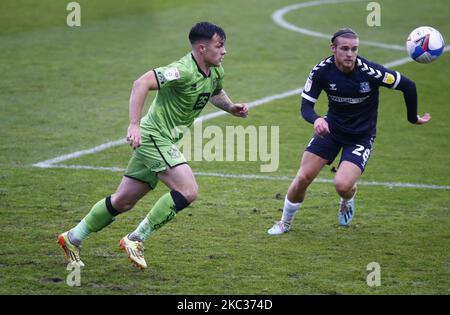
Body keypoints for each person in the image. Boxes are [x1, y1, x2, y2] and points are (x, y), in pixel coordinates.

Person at [58, 21, 248, 269]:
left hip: (164, 140)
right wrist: (134, 125)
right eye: (219, 46)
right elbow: (141, 83)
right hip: (153, 136)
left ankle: (72, 238)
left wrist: (231, 107)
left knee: (123, 201)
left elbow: (214, 91)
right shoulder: (182, 70)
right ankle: (135, 239)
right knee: (188, 190)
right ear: (202, 48)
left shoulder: (215, 71)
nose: (224, 51)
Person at [268, 28, 431, 235]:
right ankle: (284, 222)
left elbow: (408, 85)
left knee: (342, 185)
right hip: (331, 130)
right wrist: (317, 119)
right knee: (303, 177)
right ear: (333, 48)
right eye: (344, 49)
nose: (350, 54)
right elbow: (306, 107)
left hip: (361, 137)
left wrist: (412, 118)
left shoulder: (371, 72)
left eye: (354, 49)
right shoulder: (321, 71)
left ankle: (348, 197)